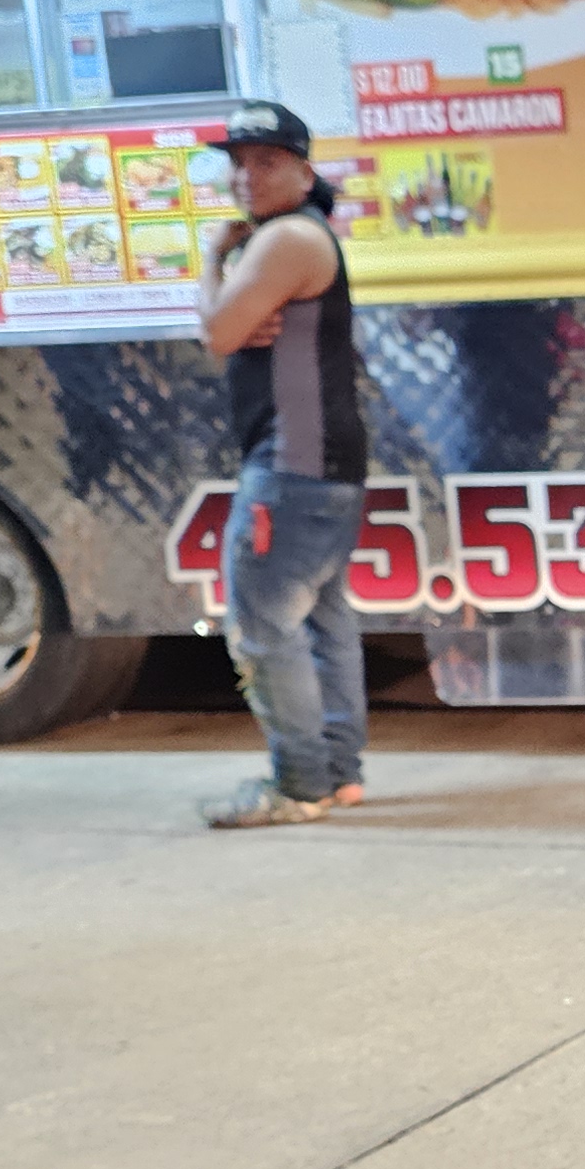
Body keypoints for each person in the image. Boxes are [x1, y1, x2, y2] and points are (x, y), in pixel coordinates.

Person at [192, 101, 372, 829]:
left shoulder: (284, 242)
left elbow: (217, 333)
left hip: (292, 468)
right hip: (323, 465)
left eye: (265, 161)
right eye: (237, 161)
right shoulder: (296, 238)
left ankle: (300, 785)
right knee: (325, 624)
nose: (246, 176)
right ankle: (338, 773)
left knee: (266, 631)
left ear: (303, 170)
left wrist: (212, 259)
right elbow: (236, 328)